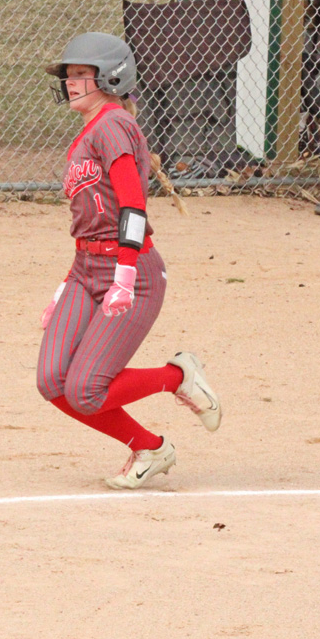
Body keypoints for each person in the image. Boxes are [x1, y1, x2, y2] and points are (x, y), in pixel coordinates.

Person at [37, 33, 224, 490]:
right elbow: (89, 221)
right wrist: (66, 284)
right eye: (70, 76)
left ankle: (177, 376)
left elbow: (133, 206)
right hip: (86, 271)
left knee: (85, 390)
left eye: (81, 75)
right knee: (52, 381)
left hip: (133, 273)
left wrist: (123, 273)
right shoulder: (89, 130)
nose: (71, 83)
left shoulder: (114, 125)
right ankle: (151, 448)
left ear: (110, 77)